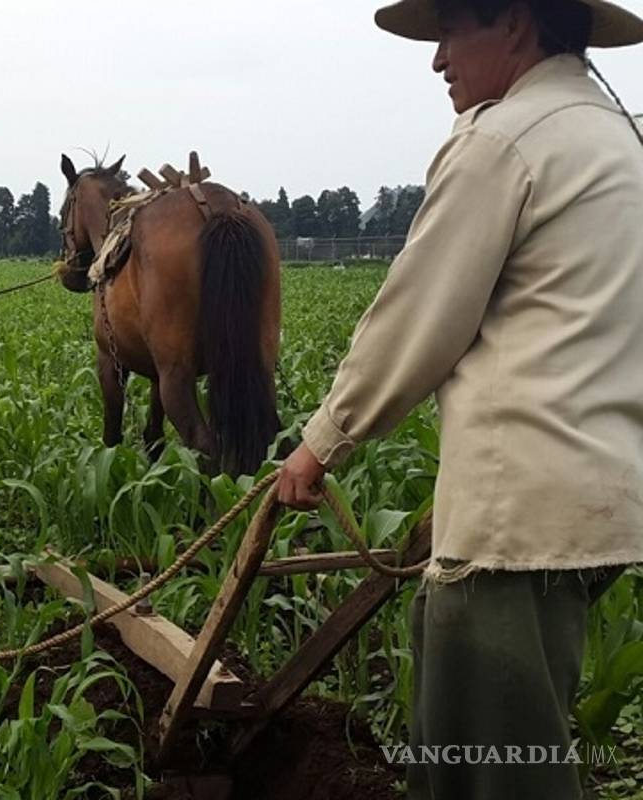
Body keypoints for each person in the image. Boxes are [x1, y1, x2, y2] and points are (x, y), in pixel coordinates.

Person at [274, 0, 643, 797]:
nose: (437, 59)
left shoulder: (502, 141)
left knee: (495, 773)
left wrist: (321, 441)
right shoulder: (619, 139)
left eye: (450, 32)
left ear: (513, 24)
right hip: (598, 507)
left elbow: (417, 317)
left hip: (514, 520)